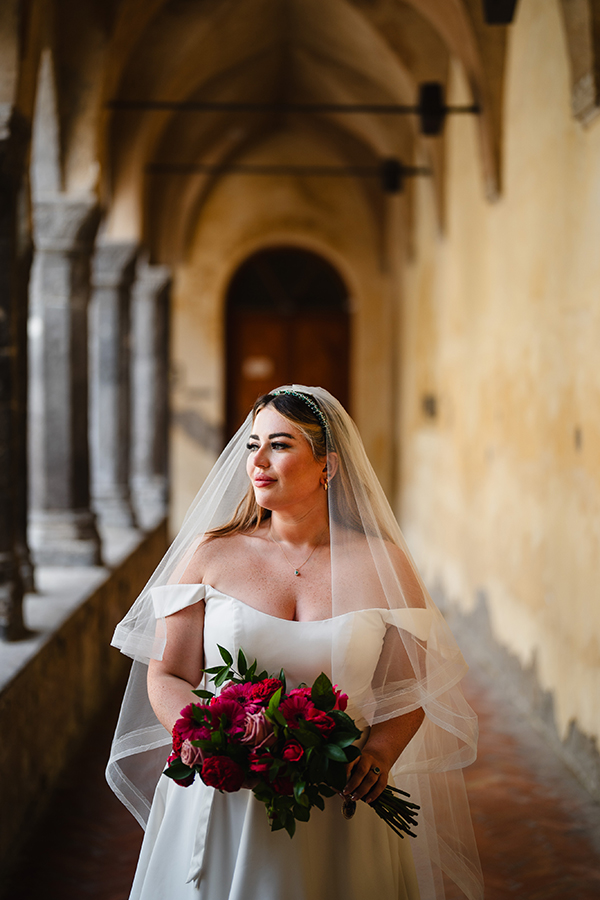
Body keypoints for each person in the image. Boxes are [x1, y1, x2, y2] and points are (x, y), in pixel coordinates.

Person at [107, 386, 483, 900]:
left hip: (339, 800)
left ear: (327, 465)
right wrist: (196, 735)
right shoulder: (211, 555)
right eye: (251, 444)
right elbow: (168, 673)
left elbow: (407, 688)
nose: (257, 461)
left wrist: (379, 753)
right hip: (226, 796)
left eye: (279, 445)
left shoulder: (384, 565)